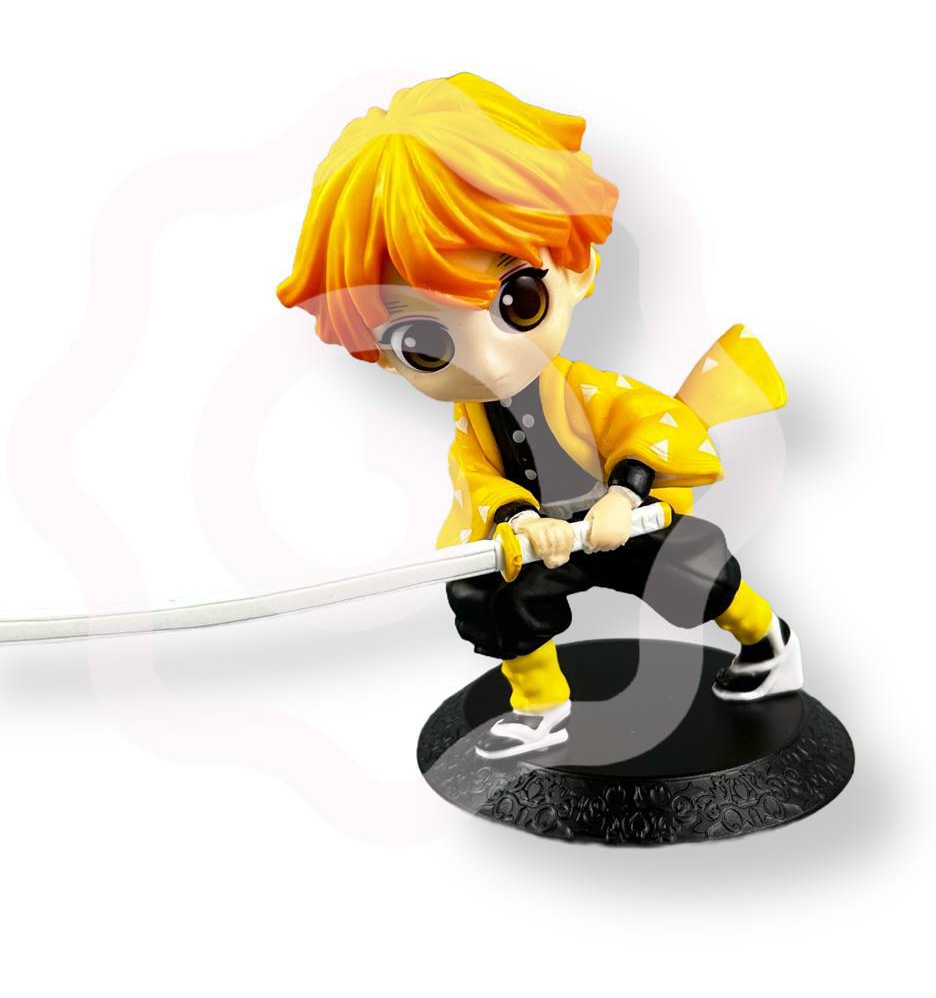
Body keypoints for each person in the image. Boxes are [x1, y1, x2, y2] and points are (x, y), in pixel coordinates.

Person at [277, 73, 801, 759]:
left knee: (696, 570)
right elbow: (474, 477)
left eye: (518, 301)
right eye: (423, 343)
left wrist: (624, 495)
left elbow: (651, 424)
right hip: (542, 540)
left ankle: (769, 644)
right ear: (379, 354)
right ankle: (541, 705)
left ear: (577, 269)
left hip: (626, 519)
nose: (490, 364)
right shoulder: (473, 426)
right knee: (491, 593)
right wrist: (518, 521)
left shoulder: (588, 392)